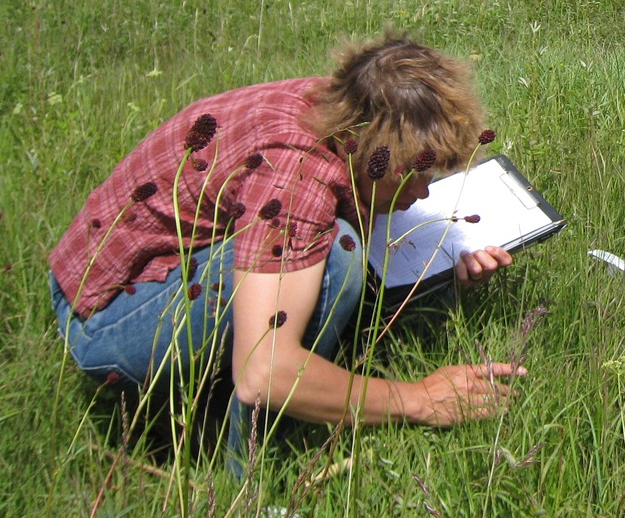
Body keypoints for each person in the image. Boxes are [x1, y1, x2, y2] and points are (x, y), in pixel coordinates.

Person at [48, 32, 520, 464]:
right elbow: (264, 371)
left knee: (340, 246)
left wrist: (439, 268)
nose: (421, 193)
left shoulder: (341, 109)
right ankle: (251, 478)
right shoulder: (293, 175)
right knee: (338, 255)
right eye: (411, 174)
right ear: (363, 142)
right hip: (107, 317)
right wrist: (418, 400)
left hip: (134, 276)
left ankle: (231, 399)